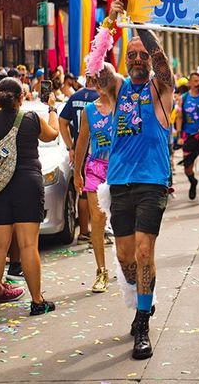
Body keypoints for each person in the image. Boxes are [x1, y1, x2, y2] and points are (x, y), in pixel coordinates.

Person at [95, 0, 174, 360]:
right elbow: (95, 67)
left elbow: (162, 63)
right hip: (119, 183)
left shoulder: (161, 90)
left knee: (144, 252)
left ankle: (142, 321)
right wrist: (112, 18)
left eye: (143, 54)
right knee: (126, 259)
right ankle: (146, 296)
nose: (139, 59)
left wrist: (140, 21)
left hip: (152, 182)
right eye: (133, 55)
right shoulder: (118, 88)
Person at [0, 77, 61, 313]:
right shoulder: (31, 118)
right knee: (27, 245)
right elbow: (52, 134)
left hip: (0, 187)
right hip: (27, 184)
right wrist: (52, 107)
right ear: (21, 98)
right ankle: (37, 301)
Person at [72, 65, 116, 293]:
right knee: (97, 219)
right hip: (95, 169)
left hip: (120, 169)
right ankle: (101, 271)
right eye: (95, 81)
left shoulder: (122, 106)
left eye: (103, 80)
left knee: (121, 220)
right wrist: (77, 172)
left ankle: (129, 262)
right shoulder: (89, 109)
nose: (99, 86)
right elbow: (82, 140)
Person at [59, 71, 100, 242]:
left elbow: (62, 121)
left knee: (82, 192)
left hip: (79, 150)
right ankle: (98, 229)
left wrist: (71, 146)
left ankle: (83, 231)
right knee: (98, 190)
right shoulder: (100, 97)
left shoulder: (75, 96)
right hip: (97, 150)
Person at [175, 72, 199, 205]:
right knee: (187, 168)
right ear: (189, 83)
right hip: (188, 137)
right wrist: (179, 136)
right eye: (195, 81)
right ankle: (193, 182)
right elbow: (179, 118)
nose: (197, 84)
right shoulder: (183, 98)